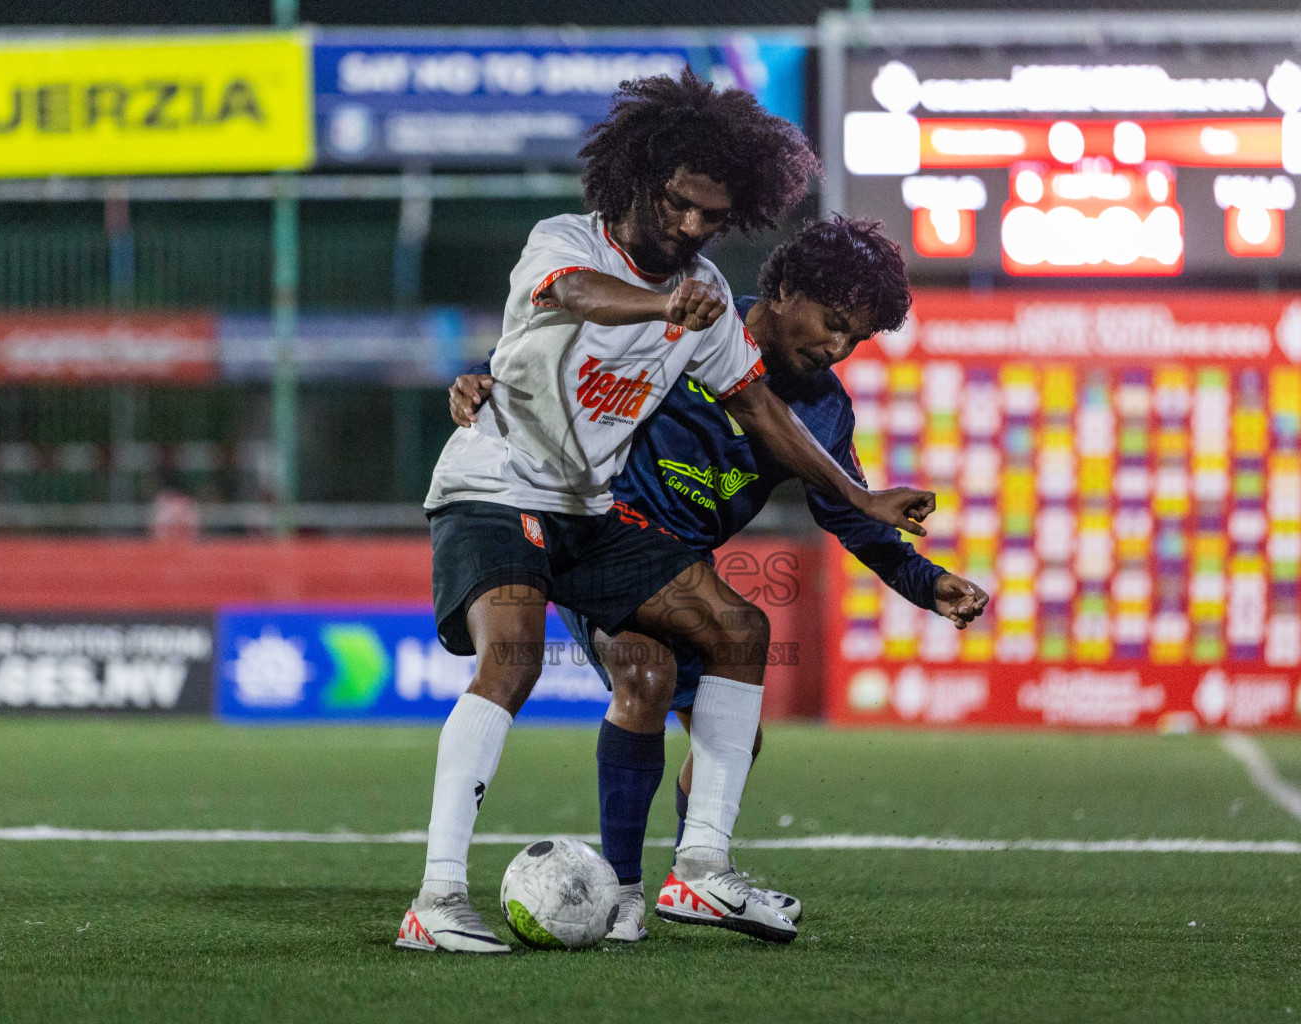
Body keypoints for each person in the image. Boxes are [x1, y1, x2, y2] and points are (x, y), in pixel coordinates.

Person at [396, 72, 938, 954]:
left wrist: (857, 494)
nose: (691, 228)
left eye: (712, 218)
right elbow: (575, 297)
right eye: (679, 205)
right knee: (516, 657)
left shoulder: (712, 299)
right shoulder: (563, 241)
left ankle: (702, 870)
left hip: (591, 507)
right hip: (498, 481)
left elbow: (764, 411)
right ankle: (437, 900)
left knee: (739, 629)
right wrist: (660, 305)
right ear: (639, 182)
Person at [449, 216, 990, 941]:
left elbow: (848, 512)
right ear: (787, 287)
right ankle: (624, 894)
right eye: (831, 323)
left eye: (855, 338)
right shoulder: (694, 318)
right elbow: (558, 356)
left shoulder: (824, 408)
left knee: (732, 733)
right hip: (599, 537)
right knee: (647, 671)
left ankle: (698, 874)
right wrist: (482, 374)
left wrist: (928, 582)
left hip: (680, 569)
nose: (836, 347)